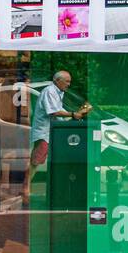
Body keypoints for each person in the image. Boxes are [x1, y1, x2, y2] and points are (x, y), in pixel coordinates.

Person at [27, 70, 92, 200]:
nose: (69, 84)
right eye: (67, 81)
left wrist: (73, 116)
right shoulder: (50, 91)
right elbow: (54, 112)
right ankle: (25, 189)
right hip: (44, 132)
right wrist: (73, 114)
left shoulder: (58, 92)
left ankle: (31, 189)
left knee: (42, 160)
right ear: (57, 80)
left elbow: (59, 112)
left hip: (52, 131)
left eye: (69, 81)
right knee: (36, 160)